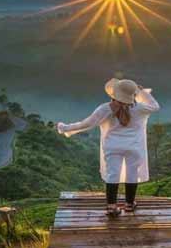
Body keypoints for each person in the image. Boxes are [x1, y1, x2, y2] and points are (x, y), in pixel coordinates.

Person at [57, 78, 160, 216]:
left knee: (113, 174)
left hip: (112, 147)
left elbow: (86, 124)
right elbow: (155, 106)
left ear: (114, 93)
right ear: (132, 95)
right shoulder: (140, 108)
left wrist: (65, 128)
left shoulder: (105, 109)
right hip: (134, 148)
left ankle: (112, 206)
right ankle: (129, 204)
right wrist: (141, 92)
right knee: (132, 174)